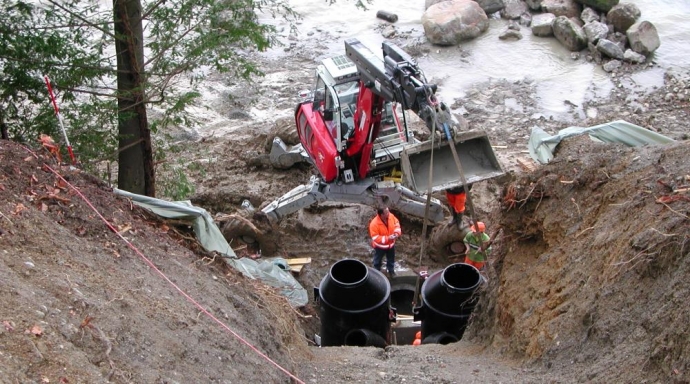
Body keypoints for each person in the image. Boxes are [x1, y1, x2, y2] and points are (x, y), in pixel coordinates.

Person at [369, 207, 402, 277]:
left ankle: (391, 271)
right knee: (377, 261)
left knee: (391, 259)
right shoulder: (374, 224)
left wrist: (396, 233)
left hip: (391, 245)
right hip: (380, 247)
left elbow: (396, 223)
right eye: (387, 212)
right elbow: (375, 237)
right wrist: (388, 238)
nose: (389, 213)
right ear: (382, 215)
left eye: (388, 211)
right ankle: (376, 272)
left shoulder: (391, 216)